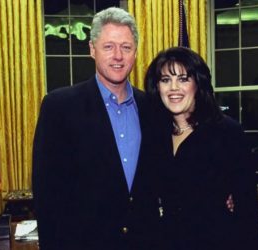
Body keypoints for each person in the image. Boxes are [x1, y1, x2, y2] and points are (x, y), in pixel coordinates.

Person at [32, 7, 163, 250]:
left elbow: (169, 175)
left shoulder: (153, 108)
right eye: (108, 46)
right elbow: (47, 196)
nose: (118, 56)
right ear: (92, 50)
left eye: (126, 47)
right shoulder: (59, 107)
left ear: (135, 52)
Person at [144, 46, 258, 249]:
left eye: (183, 79)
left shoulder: (227, 132)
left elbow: (247, 210)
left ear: (198, 84)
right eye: (165, 80)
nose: (173, 88)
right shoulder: (152, 134)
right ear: (157, 87)